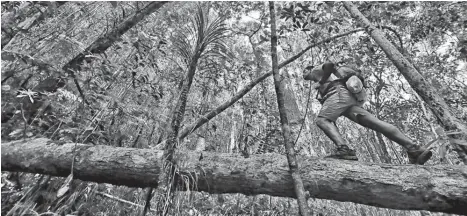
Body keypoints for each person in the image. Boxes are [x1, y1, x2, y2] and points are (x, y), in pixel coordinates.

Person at [303, 62, 432, 164]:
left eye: (304, 71)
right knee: (375, 123)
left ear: (309, 69)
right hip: (346, 100)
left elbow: (329, 65)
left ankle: (344, 150)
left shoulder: (315, 70)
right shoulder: (319, 81)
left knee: (321, 120)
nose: (303, 74)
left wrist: (320, 82)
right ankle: (414, 148)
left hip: (338, 94)